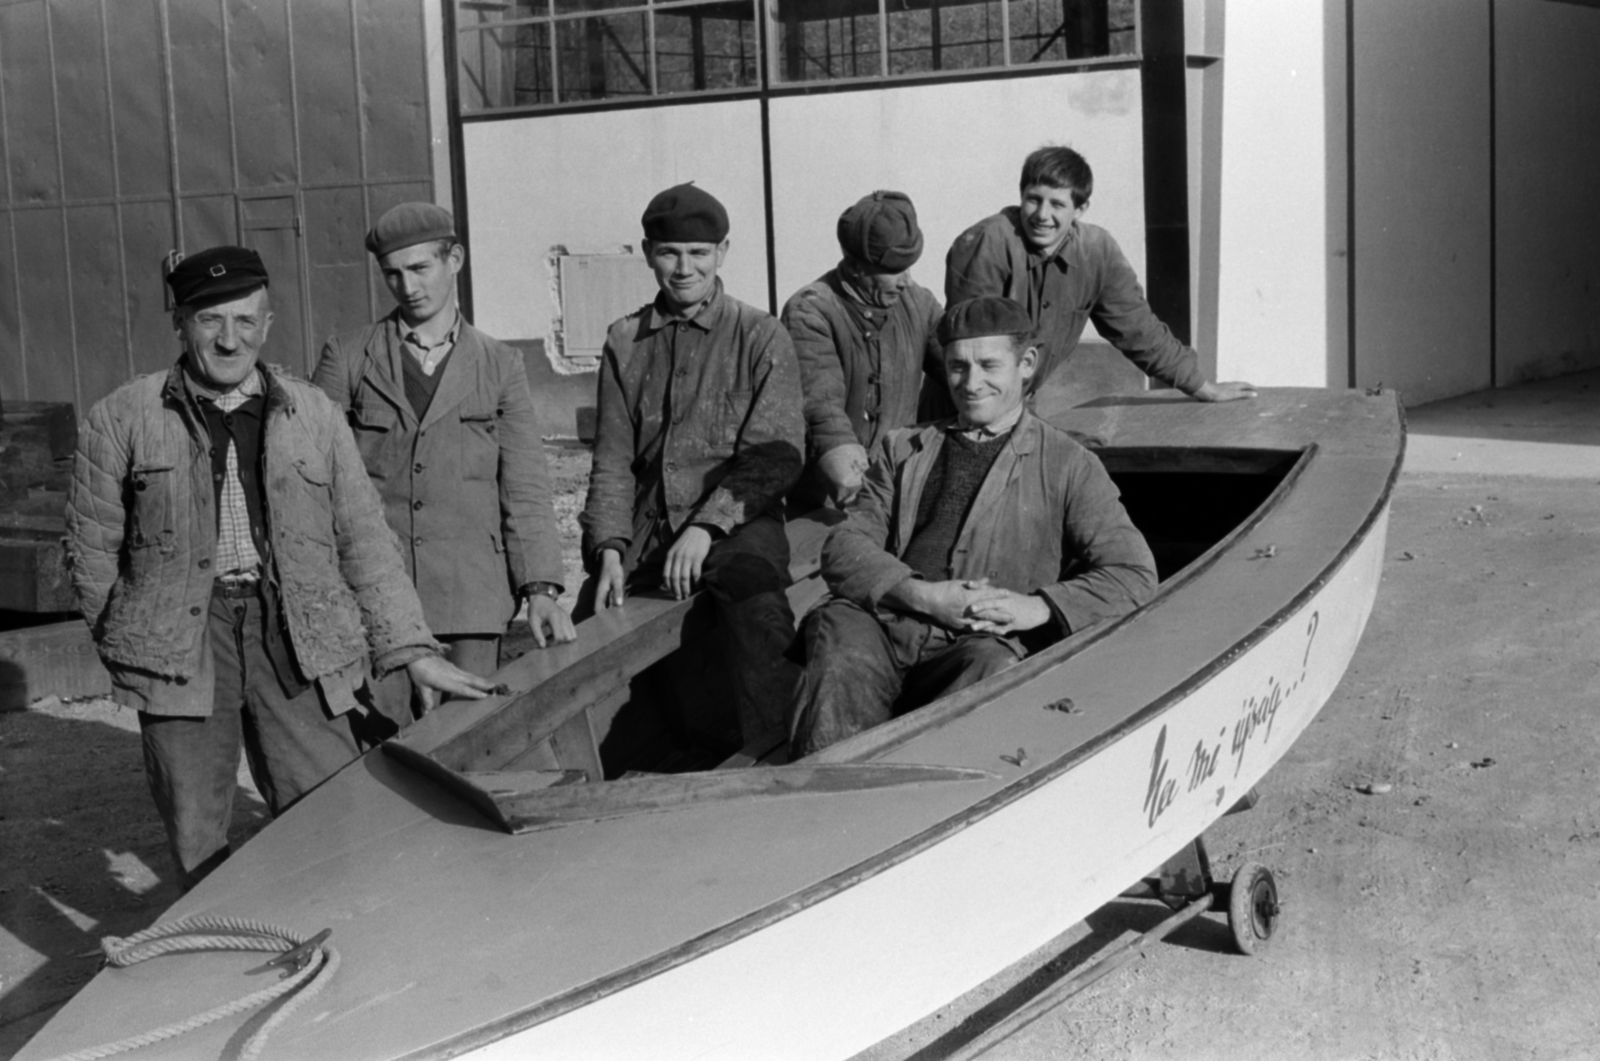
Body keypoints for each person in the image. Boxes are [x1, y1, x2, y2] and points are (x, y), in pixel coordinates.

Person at [65, 246, 494, 887]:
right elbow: (91, 547)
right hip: (182, 637)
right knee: (196, 827)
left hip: (297, 629)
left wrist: (409, 646)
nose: (229, 338)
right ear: (180, 323)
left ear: (268, 325)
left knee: (327, 811)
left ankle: (333, 945)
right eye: (210, 320)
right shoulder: (123, 417)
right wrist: (132, 642)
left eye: (245, 321)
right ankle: (220, 954)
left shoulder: (312, 412)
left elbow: (364, 540)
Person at [788, 296, 1158, 757]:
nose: (971, 383)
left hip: (976, 645)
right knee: (839, 636)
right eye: (958, 366)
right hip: (885, 625)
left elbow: (1133, 574)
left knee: (992, 673)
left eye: (988, 365)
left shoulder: (1069, 464)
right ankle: (822, 800)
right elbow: (845, 545)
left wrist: (1037, 607)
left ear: (1026, 364)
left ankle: (927, 811)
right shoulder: (902, 447)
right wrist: (923, 595)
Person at [313, 204, 574, 698]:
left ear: (454, 259)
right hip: (378, 594)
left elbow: (524, 487)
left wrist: (540, 588)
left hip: (471, 594)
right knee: (384, 746)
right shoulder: (348, 357)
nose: (407, 287)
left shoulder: (500, 364)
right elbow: (315, 477)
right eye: (392, 273)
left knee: (469, 742)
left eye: (419, 269)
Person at [579, 183, 805, 750]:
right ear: (648, 251)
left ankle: (784, 748)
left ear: (723, 253)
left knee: (757, 601)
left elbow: (775, 457)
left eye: (699, 254)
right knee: (588, 630)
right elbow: (611, 459)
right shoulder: (625, 341)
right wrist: (608, 545)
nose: (684, 269)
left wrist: (706, 527)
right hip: (649, 527)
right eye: (670, 252)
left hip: (739, 521)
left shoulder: (760, 335)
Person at [945, 145, 1256, 408]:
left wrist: (1202, 387)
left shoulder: (1097, 252)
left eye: (1057, 204)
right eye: (1033, 199)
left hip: (1016, 405)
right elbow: (971, 351)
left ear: (1080, 209)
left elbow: (1140, 331)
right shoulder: (988, 242)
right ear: (1020, 194)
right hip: (962, 402)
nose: (1042, 215)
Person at [781, 190, 949, 509]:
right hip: (826, 494)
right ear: (856, 265)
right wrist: (850, 476)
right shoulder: (810, 311)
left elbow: (959, 368)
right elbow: (821, 406)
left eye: (909, 267)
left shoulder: (920, 304)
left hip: (898, 484)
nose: (906, 282)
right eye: (893, 271)